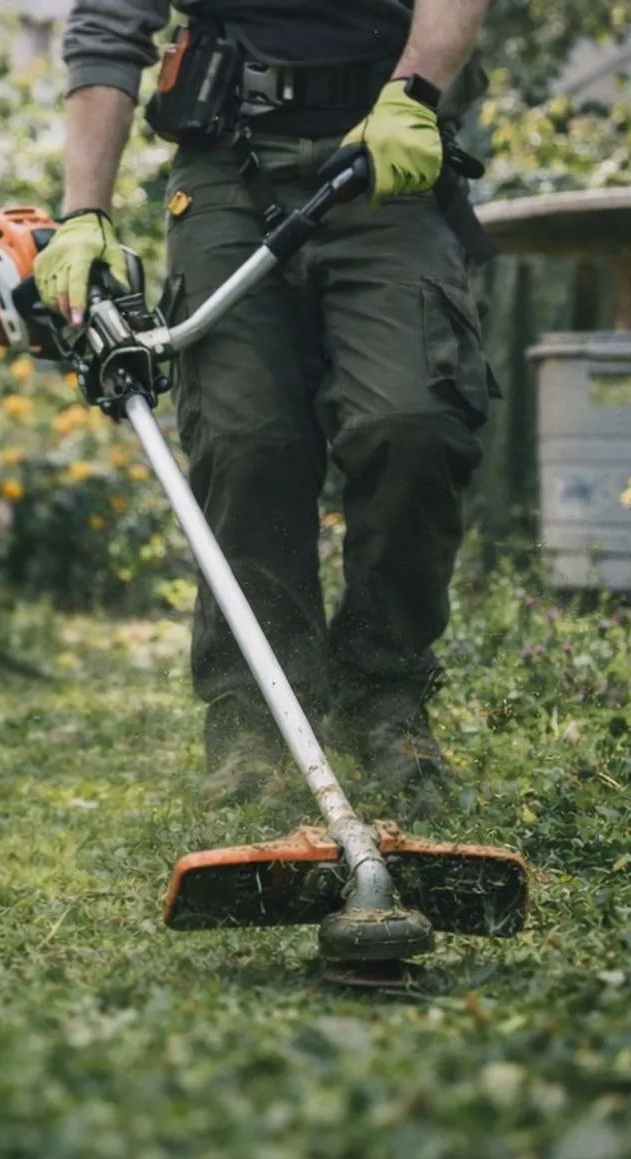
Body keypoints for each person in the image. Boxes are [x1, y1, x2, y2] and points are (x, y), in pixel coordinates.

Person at [35, 0, 496, 802]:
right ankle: (255, 724)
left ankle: (386, 697)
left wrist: (414, 94)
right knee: (248, 442)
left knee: (413, 423)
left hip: (388, 144)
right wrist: (84, 214)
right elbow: (111, 24)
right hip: (227, 162)